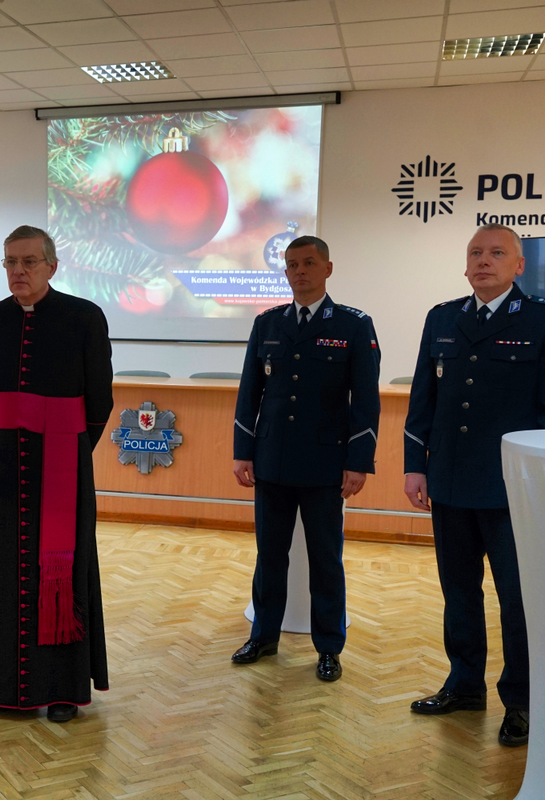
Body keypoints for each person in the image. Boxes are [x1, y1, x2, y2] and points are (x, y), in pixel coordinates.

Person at [403, 223, 545, 747]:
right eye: (476, 252)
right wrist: (416, 464)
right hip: (450, 482)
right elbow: (422, 402)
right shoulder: (442, 318)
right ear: (465, 263)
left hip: (511, 490)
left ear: (518, 265)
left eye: (497, 253)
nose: (485, 260)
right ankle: (464, 683)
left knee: (517, 599)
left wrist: (542, 483)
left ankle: (521, 699)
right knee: (458, 592)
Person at [0, 225, 113, 723]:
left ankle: (60, 690)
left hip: (65, 464)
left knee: (65, 570)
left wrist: (70, 449)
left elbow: (100, 400)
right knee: (3, 571)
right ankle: (4, 688)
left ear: (52, 266)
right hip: (6, 462)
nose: (18, 272)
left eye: (29, 262)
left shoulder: (84, 318)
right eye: (10, 262)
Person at [231, 235, 381, 682]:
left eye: (309, 263)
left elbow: (366, 400)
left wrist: (359, 460)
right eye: (292, 264)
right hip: (272, 460)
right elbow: (249, 392)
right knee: (270, 556)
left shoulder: (354, 325)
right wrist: (244, 451)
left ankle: (329, 647)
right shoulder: (268, 323)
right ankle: (264, 635)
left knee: (324, 560)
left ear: (328, 269)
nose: (300, 271)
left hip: (325, 464)